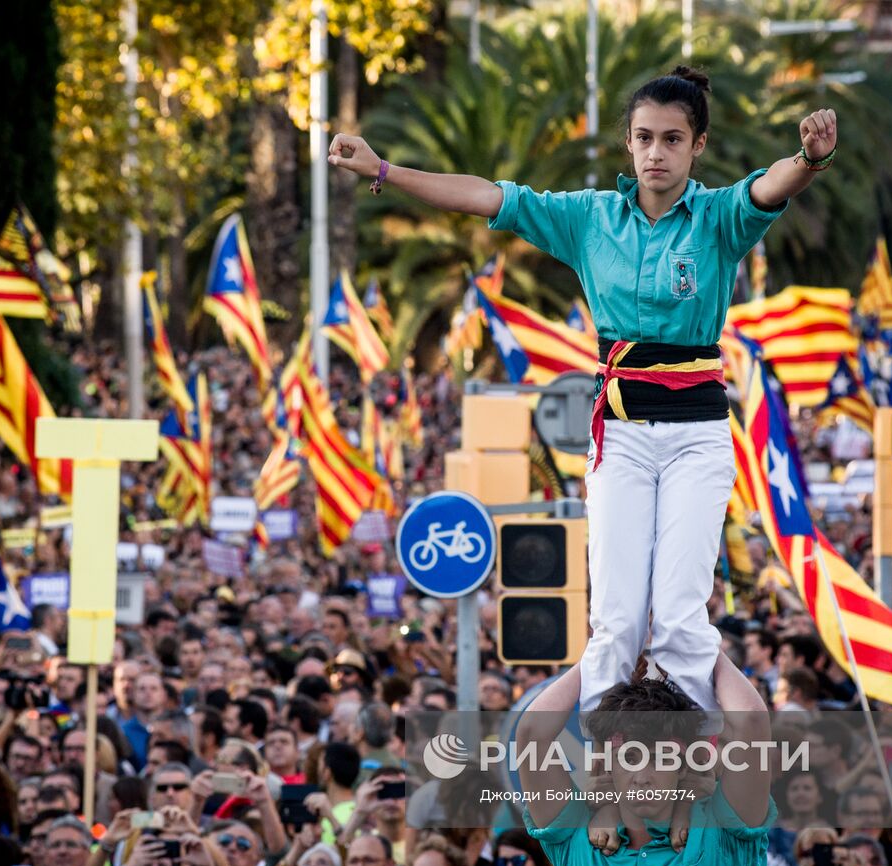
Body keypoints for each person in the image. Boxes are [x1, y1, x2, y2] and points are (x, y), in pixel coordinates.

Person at [328, 65, 836, 713]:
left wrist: (810, 161)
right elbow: (486, 196)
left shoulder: (717, 218)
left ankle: (703, 781)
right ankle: (601, 790)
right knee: (617, 626)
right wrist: (385, 170)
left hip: (698, 437)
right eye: (645, 137)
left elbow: (768, 187)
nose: (657, 152)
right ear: (628, 142)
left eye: (673, 139)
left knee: (681, 620)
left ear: (697, 145)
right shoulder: (588, 218)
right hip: (619, 435)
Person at [514, 651, 773, 866]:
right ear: (608, 765)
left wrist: (695, 644)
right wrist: (605, 651)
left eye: (660, 758)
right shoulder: (577, 838)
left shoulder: (721, 832)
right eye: (629, 758)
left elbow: (752, 723)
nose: (642, 777)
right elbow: (531, 734)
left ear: (683, 767)